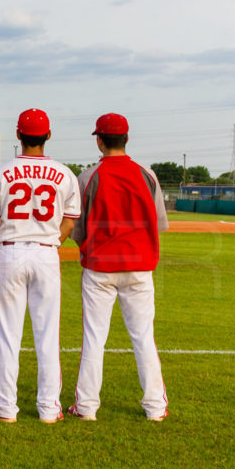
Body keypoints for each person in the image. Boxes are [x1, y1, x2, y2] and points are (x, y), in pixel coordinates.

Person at [0, 108, 80, 424]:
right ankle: (50, 409)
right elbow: (70, 219)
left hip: (10, 251)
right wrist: (54, 241)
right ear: (48, 135)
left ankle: (5, 408)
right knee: (47, 335)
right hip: (46, 252)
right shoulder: (64, 174)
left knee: (8, 334)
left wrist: (2, 243)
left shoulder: (0, 172)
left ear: (18, 135)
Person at [69, 113, 170, 422]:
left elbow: (78, 231)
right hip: (139, 268)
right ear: (127, 139)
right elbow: (159, 224)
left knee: (94, 338)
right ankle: (154, 407)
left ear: (99, 140)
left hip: (100, 268)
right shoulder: (147, 174)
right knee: (143, 337)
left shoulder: (88, 176)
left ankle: (86, 407)